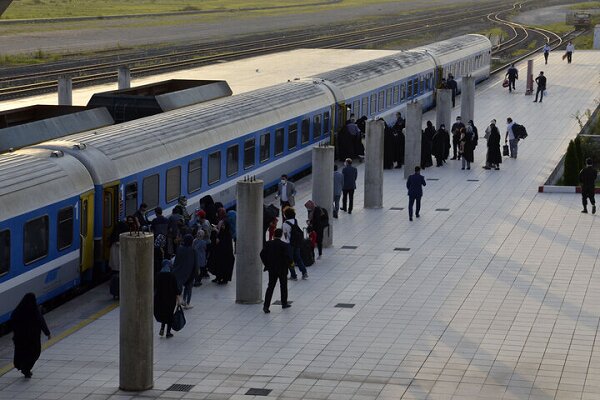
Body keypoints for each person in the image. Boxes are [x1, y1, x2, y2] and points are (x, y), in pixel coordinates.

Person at [10, 293, 50, 378]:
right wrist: (47, 333)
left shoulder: (18, 311)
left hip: (20, 338)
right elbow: (41, 321)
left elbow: (12, 321)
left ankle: (22, 366)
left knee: (22, 352)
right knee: (34, 353)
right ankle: (26, 369)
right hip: (33, 338)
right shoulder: (35, 310)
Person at [260, 228, 293, 313]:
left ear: (274, 235)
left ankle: (266, 306)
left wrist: (266, 264)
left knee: (270, 287)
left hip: (272, 269)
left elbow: (262, 254)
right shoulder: (285, 245)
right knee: (283, 286)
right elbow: (288, 257)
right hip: (282, 269)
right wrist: (288, 265)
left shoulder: (268, 244)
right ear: (281, 235)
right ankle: (284, 303)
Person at [154, 260, 179, 338]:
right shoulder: (172, 275)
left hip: (160, 298)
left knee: (163, 314)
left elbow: (155, 286)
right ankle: (168, 332)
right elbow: (176, 288)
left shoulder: (158, 275)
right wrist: (178, 297)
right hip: (170, 299)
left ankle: (162, 328)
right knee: (169, 315)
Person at [172, 234, 198, 309]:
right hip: (189, 272)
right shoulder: (193, 250)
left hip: (179, 271)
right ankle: (186, 302)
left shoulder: (180, 249)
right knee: (188, 287)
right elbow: (195, 263)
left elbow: (176, 261)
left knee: (179, 287)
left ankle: (180, 300)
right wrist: (196, 272)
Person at [282, 208, 308, 280]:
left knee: (290, 260)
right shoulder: (295, 221)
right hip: (297, 242)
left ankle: (293, 275)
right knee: (298, 258)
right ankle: (304, 272)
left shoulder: (285, 224)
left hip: (289, 244)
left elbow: (285, 235)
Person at [211, 208, 235, 284]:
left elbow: (222, 232)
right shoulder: (224, 220)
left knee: (222, 262)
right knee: (220, 261)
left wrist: (215, 229)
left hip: (224, 246)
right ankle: (219, 277)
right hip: (224, 245)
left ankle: (223, 278)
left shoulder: (224, 222)